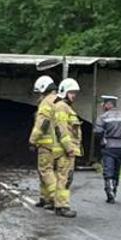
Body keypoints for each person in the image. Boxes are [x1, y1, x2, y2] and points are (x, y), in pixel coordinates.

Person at [48, 78, 85, 216]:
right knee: (64, 178)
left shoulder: (65, 107)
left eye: (75, 93)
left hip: (65, 150)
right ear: (64, 92)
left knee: (65, 178)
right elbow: (62, 129)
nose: (74, 95)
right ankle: (62, 206)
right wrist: (69, 148)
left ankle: (59, 204)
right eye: (71, 92)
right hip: (64, 151)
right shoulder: (62, 107)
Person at [27, 75, 63, 210]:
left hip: (46, 144)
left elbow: (41, 124)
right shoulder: (60, 101)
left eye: (39, 92)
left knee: (45, 170)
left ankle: (54, 199)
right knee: (50, 170)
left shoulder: (46, 103)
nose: (39, 96)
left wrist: (32, 140)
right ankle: (44, 198)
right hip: (59, 143)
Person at [96, 96, 121, 204]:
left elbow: (98, 132)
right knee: (117, 169)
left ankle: (109, 190)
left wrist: (100, 142)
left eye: (104, 104)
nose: (103, 106)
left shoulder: (103, 117)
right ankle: (114, 188)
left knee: (108, 169)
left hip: (108, 146)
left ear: (108, 104)